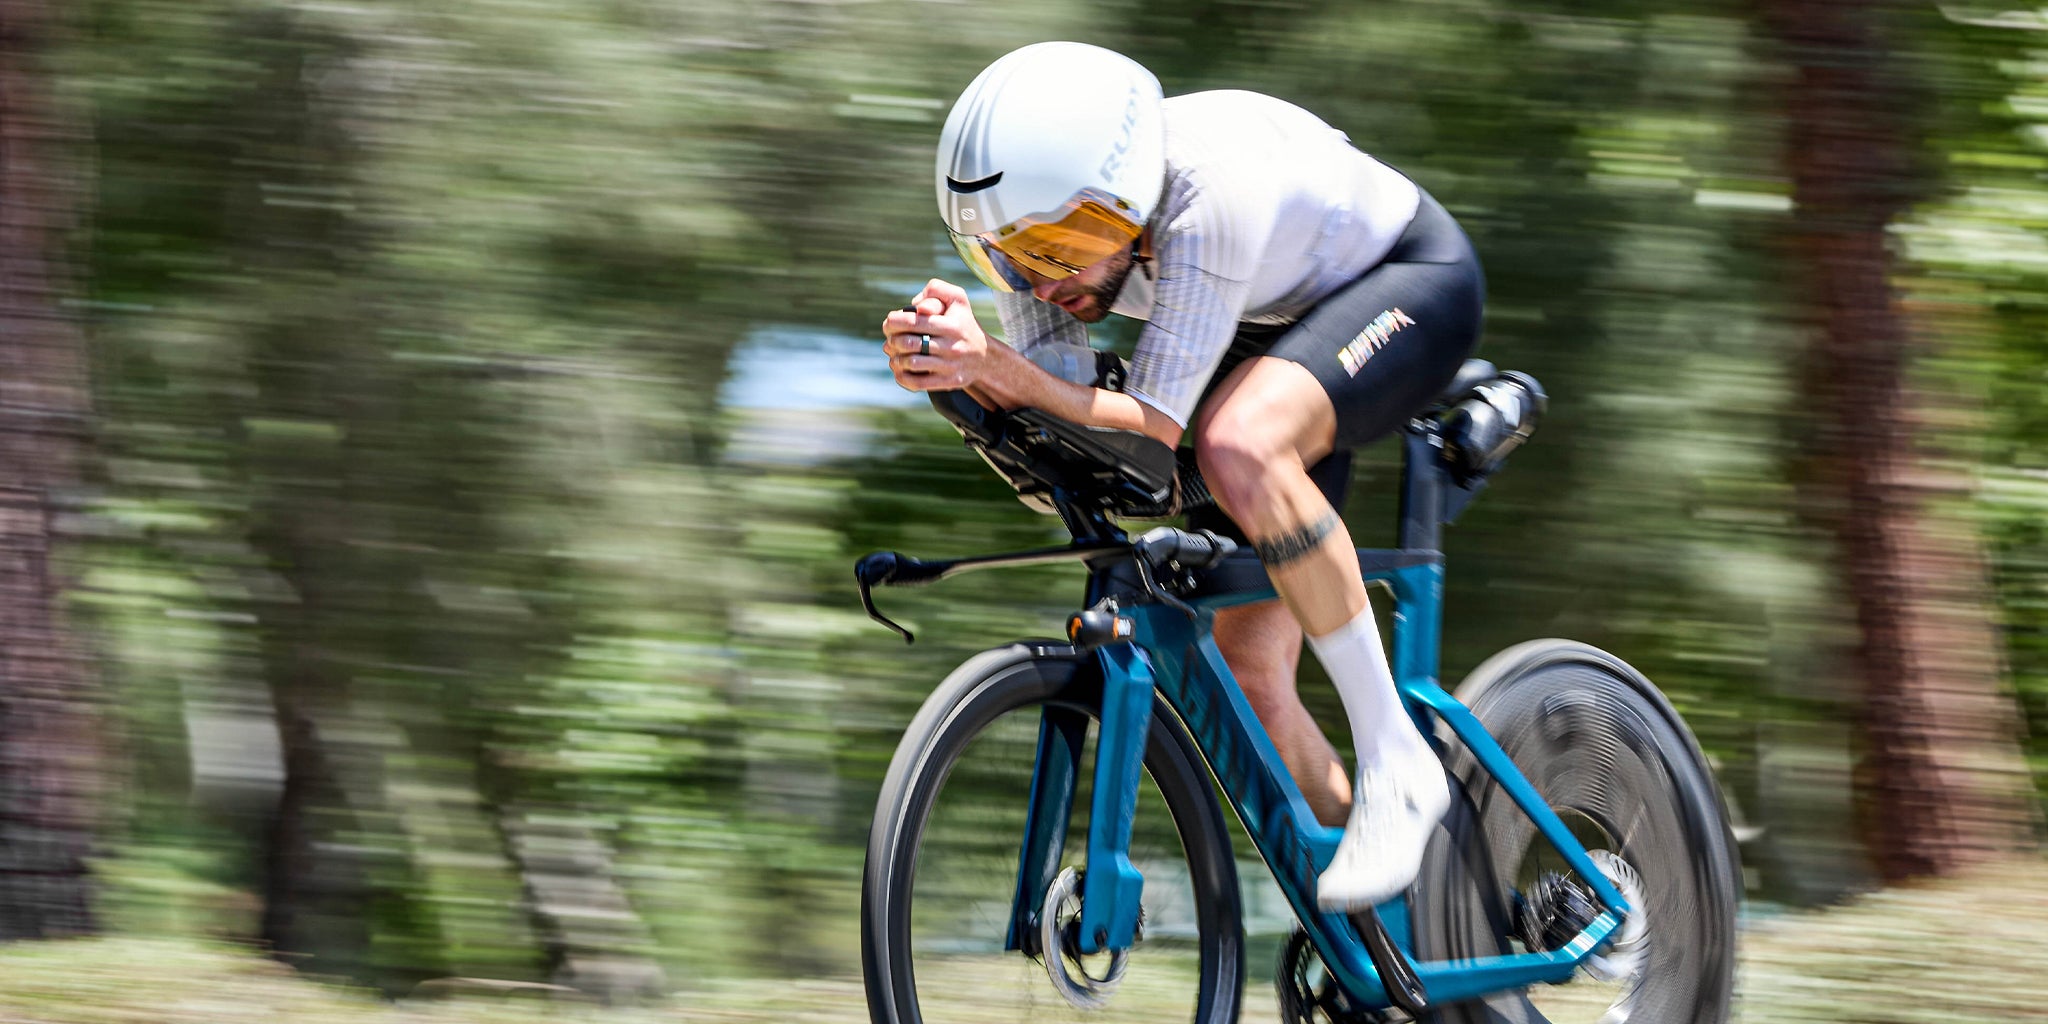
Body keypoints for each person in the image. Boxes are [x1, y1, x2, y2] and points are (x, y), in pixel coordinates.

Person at [879, 41, 1483, 910]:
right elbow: (1080, 423)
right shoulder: (1042, 248)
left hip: (1407, 282)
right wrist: (966, 373)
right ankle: (1413, 921)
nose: (1042, 283)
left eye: (1065, 245)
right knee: (1247, 678)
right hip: (1267, 321)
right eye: (1008, 258)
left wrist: (1002, 368)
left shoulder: (1205, 197)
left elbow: (1153, 435)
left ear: (1127, 199)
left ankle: (1397, 758)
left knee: (1237, 445)